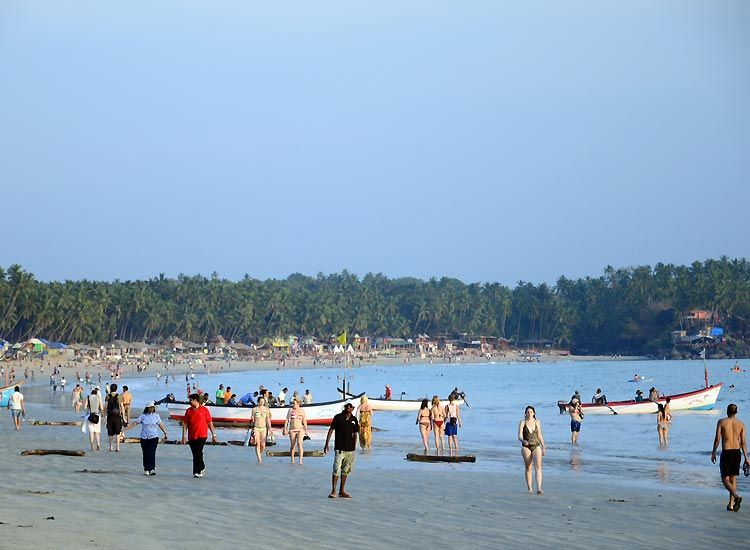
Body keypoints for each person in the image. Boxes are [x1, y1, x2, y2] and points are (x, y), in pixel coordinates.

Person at [711, 403, 749, 512]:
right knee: (733, 478)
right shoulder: (741, 424)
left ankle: (736, 497)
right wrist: (746, 457)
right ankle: (731, 505)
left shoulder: (721, 422)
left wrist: (713, 452)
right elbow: (744, 443)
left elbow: (717, 439)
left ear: (727, 411)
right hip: (737, 452)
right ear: (736, 412)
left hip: (727, 452)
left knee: (724, 479)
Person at [324, 402, 359, 498]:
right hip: (339, 448)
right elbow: (331, 429)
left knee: (345, 470)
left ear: (352, 408)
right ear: (345, 407)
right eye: (347, 406)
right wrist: (326, 444)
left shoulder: (354, 420)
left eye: (350, 406)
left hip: (350, 450)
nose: (349, 408)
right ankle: (333, 490)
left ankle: (342, 491)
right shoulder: (338, 417)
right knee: (336, 469)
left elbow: (355, 434)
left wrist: (354, 448)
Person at [124, 401, 168, 475]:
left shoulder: (156, 416)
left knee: (152, 453)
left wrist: (165, 432)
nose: (151, 409)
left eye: (152, 407)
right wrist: (125, 429)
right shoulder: (143, 416)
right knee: (145, 453)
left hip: (154, 437)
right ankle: (146, 469)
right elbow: (135, 423)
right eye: (150, 407)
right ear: (147, 408)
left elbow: (160, 425)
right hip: (144, 438)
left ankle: (152, 469)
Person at [181, 393, 219, 477]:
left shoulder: (204, 410)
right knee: (195, 453)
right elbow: (185, 424)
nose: (189, 402)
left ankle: (197, 471)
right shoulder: (188, 411)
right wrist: (183, 436)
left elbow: (210, 423)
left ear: (195, 400)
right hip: (191, 436)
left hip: (202, 435)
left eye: (190, 400)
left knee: (198, 452)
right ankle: (200, 468)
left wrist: (214, 435)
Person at [518, 405, 546, 494]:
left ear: (534, 413)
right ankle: (529, 488)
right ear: (525, 413)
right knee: (528, 467)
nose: (529, 413)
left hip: (536, 445)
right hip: (526, 446)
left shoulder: (537, 422)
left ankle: (539, 488)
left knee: (538, 467)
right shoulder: (522, 422)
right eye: (527, 412)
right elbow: (519, 436)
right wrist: (523, 440)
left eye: (531, 412)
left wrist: (543, 446)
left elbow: (540, 435)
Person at [284, 398, 308, 464]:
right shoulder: (290, 410)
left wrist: (306, 430)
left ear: (298, 404)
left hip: (300, 429)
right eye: (292, 403)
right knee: (292, 445)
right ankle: (292, 459)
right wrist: (285, 428)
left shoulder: (302, 411)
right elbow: (287, 420)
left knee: (300, 444)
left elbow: (304, 421)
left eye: (294, 403)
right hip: (292, 430)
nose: (293, 405)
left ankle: (300, 460)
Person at [250, 396, 272, 464]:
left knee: (263, 445)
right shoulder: (254, 409)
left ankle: (259, 454)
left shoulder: (266, 409)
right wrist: (252, 419)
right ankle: (259, 460)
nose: (262, 403)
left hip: (263, 428)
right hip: (256, 427)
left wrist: (270, 428)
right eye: (260, 402)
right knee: (258, 444)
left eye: (263, 402)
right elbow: (253, 420)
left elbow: (268, 419)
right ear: (258, 402)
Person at [105, 384, 125, 452]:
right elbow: (122, 407)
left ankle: (111, 447)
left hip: (110, 416)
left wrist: (104, 415)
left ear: (110, 388)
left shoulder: (107, 396)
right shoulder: (119, 396)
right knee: (117, 432)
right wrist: (123, 416)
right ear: (116, 389)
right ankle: (118, 447)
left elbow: (105, 407)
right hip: (117, 416)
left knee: (110, 432)